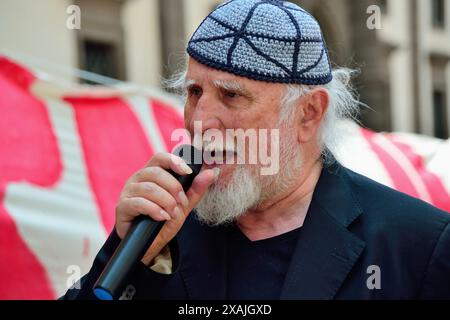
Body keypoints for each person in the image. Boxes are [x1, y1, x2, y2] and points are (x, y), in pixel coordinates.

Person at [62, 0, 450, 300]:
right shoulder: (163, 233)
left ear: (307, 113)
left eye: (231, 95)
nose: (201, 121)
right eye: (194, 92)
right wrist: (124, 256)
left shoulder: (417, 244)